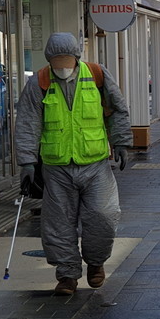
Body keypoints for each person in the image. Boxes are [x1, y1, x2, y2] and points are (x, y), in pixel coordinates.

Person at [15, 32, 133, 295]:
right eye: (57, 63)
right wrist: (26, 161)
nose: (63, 68)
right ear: (49, 61)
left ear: (77, 57)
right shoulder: (39, 82)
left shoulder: (97, 75)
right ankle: (67, 275)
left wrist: (122, 142)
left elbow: (118, 108)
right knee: (58, 224)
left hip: (96, 164)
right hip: (56, 167)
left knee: (103, 216)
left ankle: (96, 262)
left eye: (67, 61)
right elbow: (28, 122)